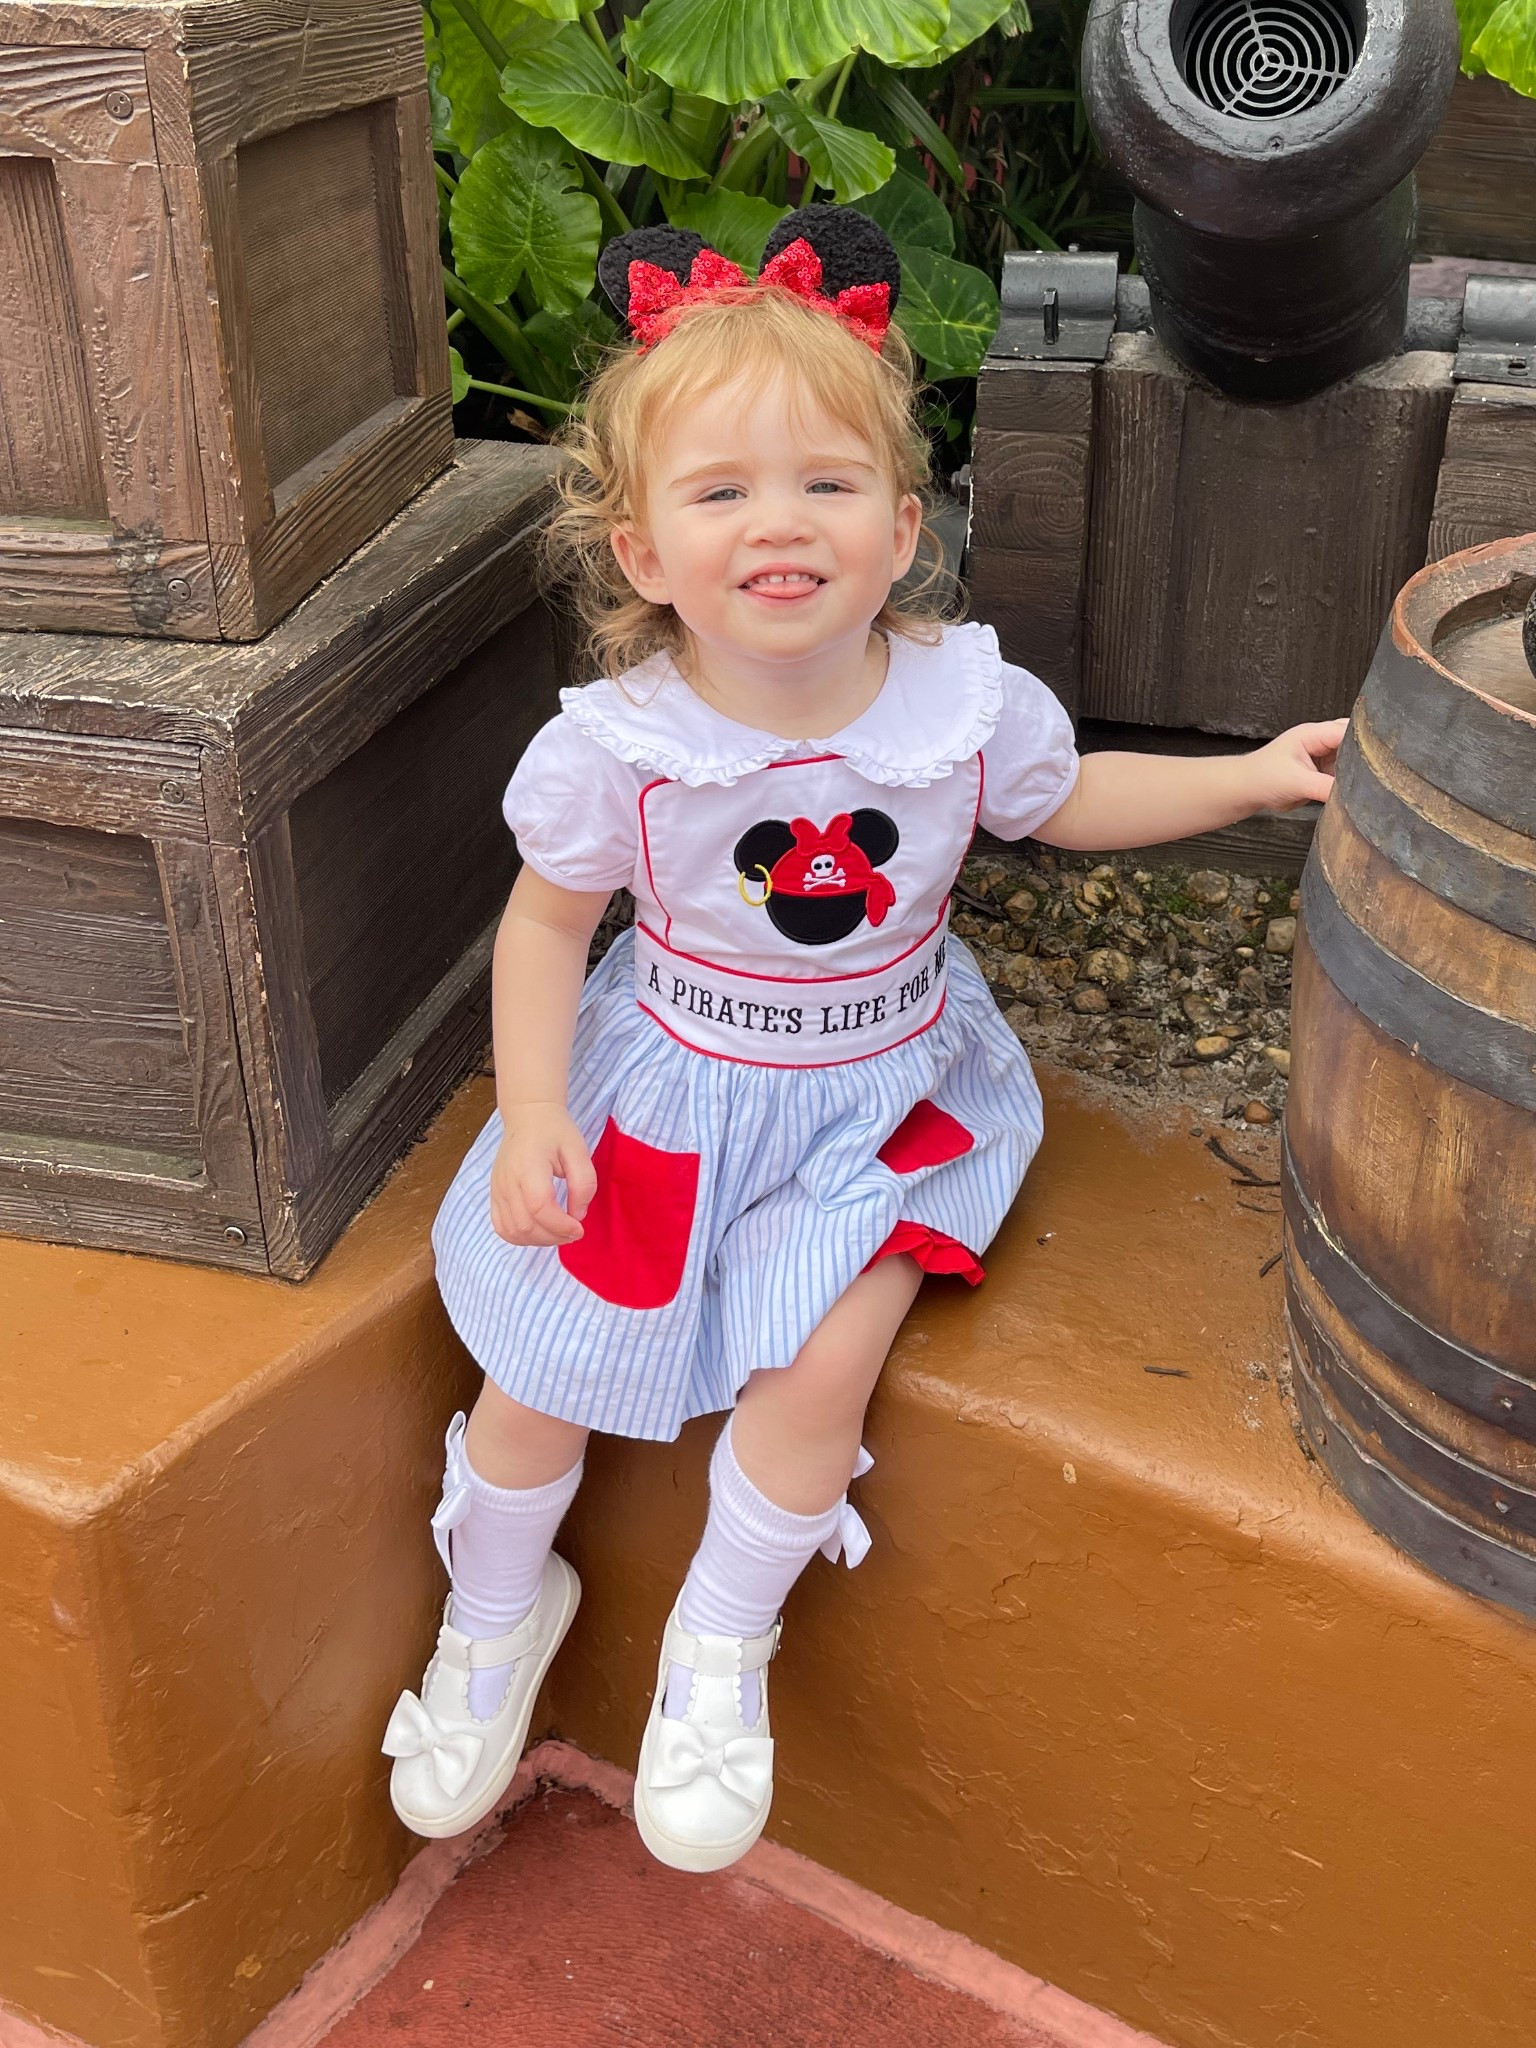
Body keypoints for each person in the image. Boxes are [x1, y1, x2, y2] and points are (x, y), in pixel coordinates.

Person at [382, 206, 1343, 1873]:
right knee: (535, 1369)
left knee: (827, 1356)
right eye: (724, 490)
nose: (782, 524)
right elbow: (546, 928)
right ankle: (495, 1612)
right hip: (673, 1084)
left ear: (904, 529)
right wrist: (536, 1108)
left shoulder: (959, 706)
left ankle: (721, 1646)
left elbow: (1078, 797)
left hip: (881, 1091)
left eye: (827, 485)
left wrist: (1250, 775)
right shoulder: (625, 747)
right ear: (640, 549)